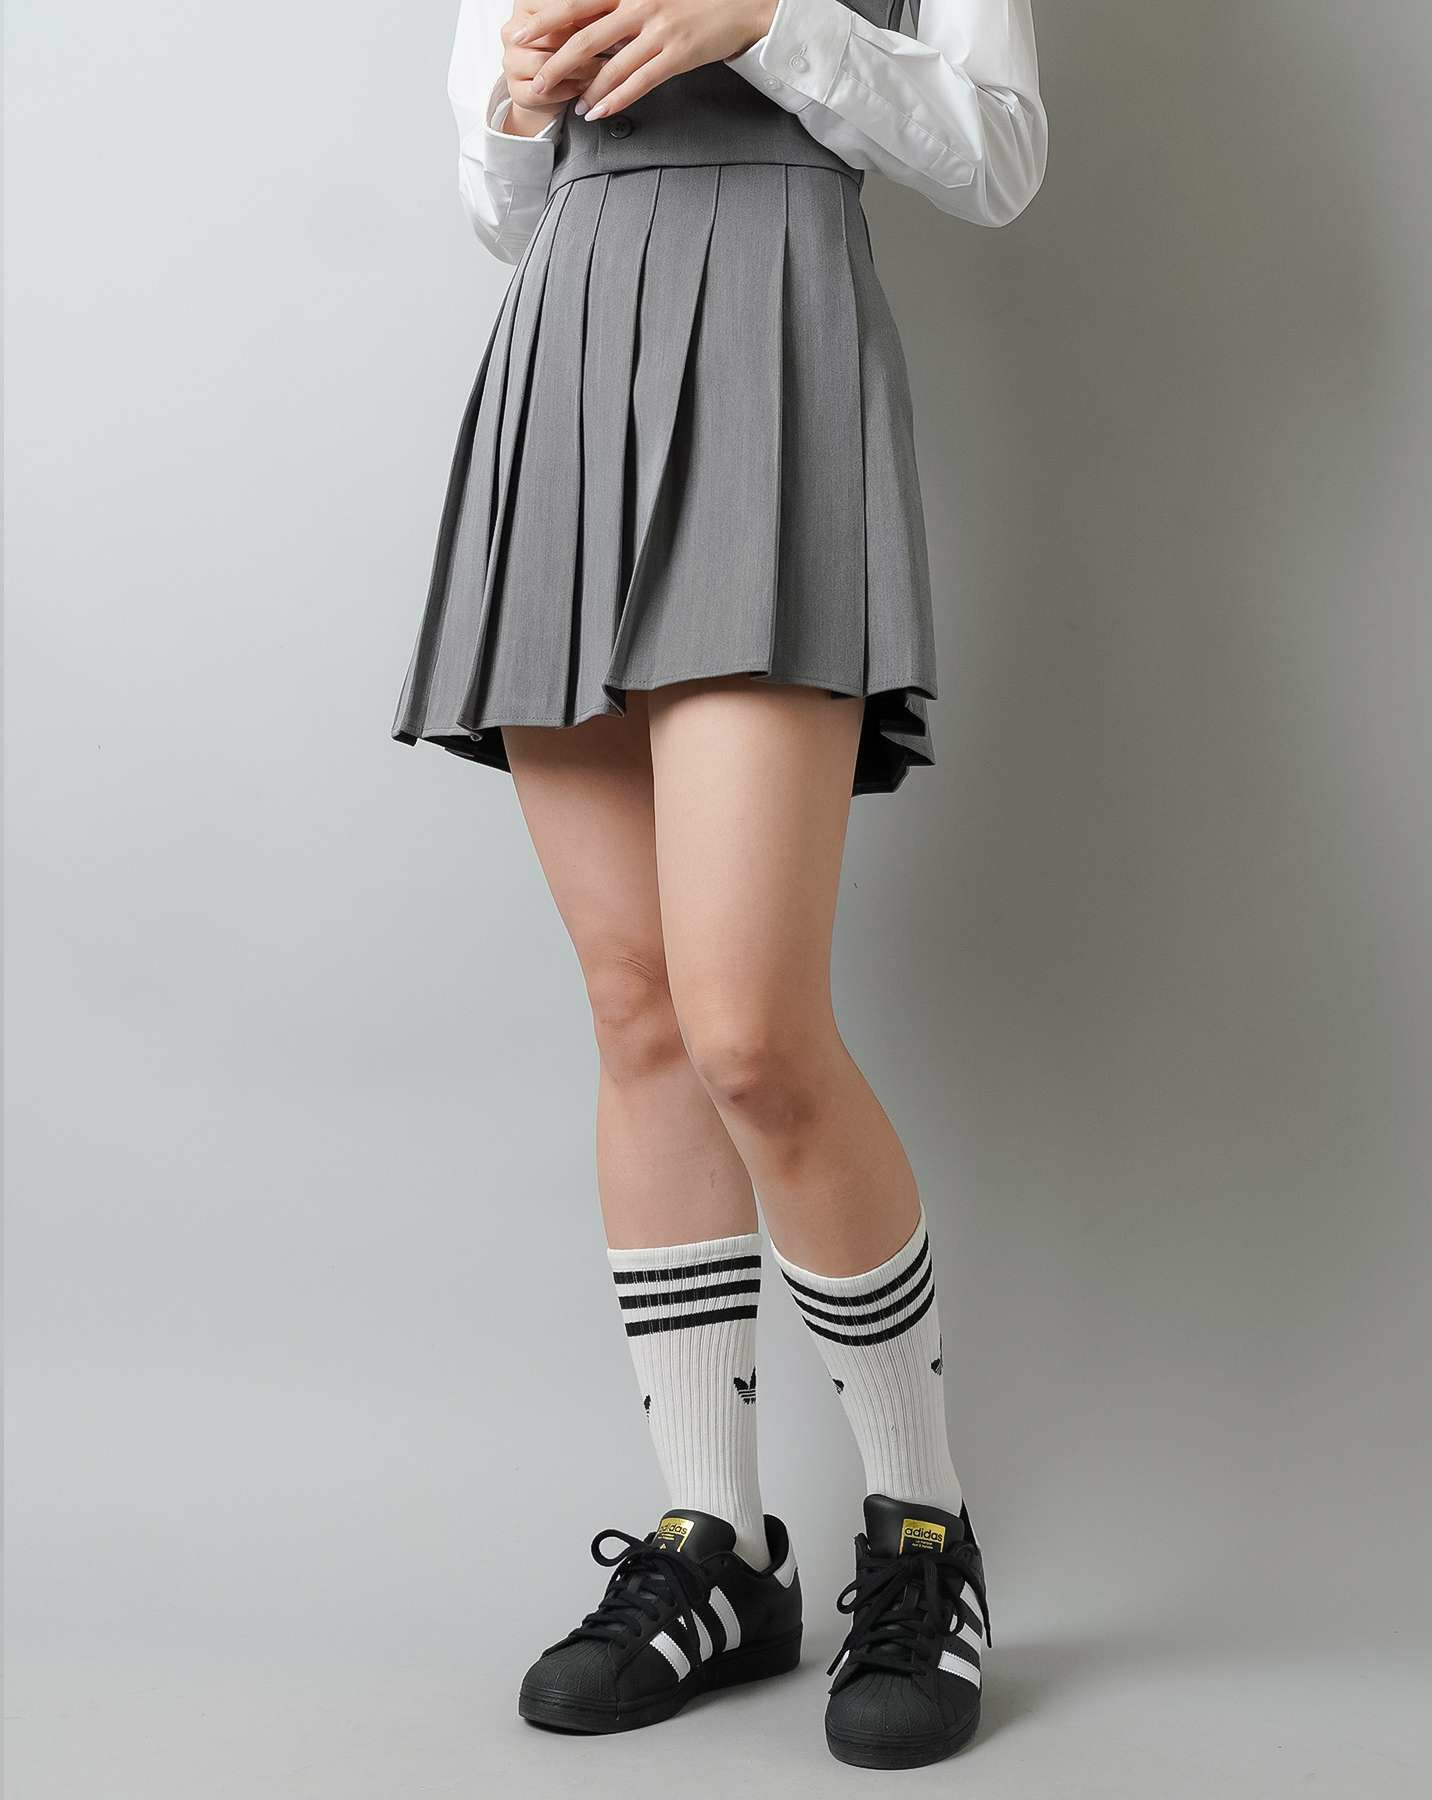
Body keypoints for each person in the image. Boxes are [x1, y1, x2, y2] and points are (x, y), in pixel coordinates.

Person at [391, 0, 1045, 1768]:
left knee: (752, 1031)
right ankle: (720, 1548)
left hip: (775, 353)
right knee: (640, 1012)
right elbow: (505, 207)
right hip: (570, 368)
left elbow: (996, 153)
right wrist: (519, 102)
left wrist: (767, 20)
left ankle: (924, 1533)